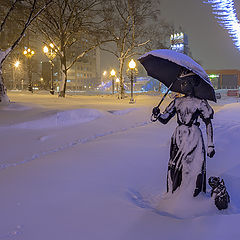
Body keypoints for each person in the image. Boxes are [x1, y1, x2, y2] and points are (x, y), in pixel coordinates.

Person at [152, 71, 215, 197]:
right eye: (181, 83)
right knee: (176, 166)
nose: (182, 86)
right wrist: (157, 114)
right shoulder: (177, 102)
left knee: (195, 167)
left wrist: (210, 145)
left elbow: (208, 123)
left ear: (192, 84)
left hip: (194, 138)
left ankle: (193, 196)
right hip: (179, 137)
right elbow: (165, 119)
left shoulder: (200, 102)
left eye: (185, 83)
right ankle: (175, 193)